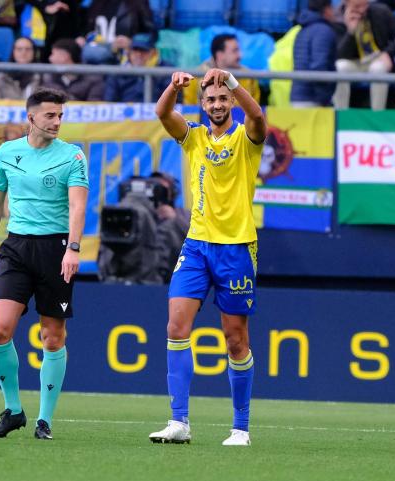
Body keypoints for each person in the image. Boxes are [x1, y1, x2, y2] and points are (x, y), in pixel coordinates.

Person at [149, 67, 266, 446]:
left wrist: (232, 80)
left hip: (236, 249)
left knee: (235, 340)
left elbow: (259, 117)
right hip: (197, 245)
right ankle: (179, 421)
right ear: (202, 105)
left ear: (231, 101)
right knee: (176, 328)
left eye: (222, 99)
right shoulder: (194, 137)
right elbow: (164, 114)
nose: (217, 104)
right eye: (210, 99)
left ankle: (241, 427)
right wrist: (173, 87)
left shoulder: (246, 138)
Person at [0, 87, 89, 440]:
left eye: (60, 116)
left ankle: (44, 420)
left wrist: (73, 248)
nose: (57, 122)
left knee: (52, 338)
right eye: (51, 115)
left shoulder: (72, 156)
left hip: (56, 250)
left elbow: (78, 206)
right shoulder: (6, 153)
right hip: (17, 248)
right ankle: (13, 410)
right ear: (31, 117)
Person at [334, 0, 395, 110]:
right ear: (346, 4)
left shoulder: (381, 11)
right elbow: (340, 54)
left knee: (379, 68)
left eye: (365, 4)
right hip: (354, 61)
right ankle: (341, 113)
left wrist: (387, 53)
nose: (362, 9)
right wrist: (350, 32)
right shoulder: (338, 19)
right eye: (357, 6)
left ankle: (377, 114)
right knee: (340, 67)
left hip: (377, 58)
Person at [183, 34, 261, 106]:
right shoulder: (194, 77)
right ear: (219, 55)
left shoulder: (249, 76)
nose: (240, 55)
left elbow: (255, 111)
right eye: (235, 51)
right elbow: (189, 110)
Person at [291, 0, 338, 107]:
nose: (334, 11)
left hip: (298, 97)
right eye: (331, 7)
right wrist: (324, 99)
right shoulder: (324, 31)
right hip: (313, 101)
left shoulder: (302, 30)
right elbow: (319, 67)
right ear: (326, 10)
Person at [103, 32, 172, 102]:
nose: (139, 54)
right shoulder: (117, 72)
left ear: (153, 52)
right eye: (135, 49)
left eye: (144, 50)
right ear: (129, 52)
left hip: (157, 112)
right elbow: (109, 101)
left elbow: (174, 102)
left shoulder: (165, 71)